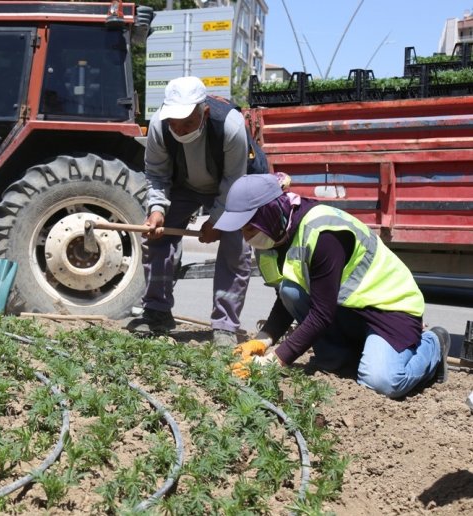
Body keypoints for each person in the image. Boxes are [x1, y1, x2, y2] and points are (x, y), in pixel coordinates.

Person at [214, 174, 451, 398]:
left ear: (268, 214)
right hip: (348, 307)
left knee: (381, 382)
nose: (246, 237)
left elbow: (322, 314)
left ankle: (433, 345)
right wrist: (263, 340)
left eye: (249, 228)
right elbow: (287, 297)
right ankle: (344, 358)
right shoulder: (275, 235)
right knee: (290, 291)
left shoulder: (323, 232)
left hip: (389, 309)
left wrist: (274, 361)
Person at [126, 76, 252, 348]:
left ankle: (225, 326)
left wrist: (217, 221)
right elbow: (156, 174)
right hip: (185, 185)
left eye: (188, 123)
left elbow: (234, 182)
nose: (180, 130)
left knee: (235, 246)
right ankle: (157, 312)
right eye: (175, 123)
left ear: (204, 112)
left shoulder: (230, 125)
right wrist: (157, 209)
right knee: (156, 236)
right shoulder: (160, 126)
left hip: (232, 185)